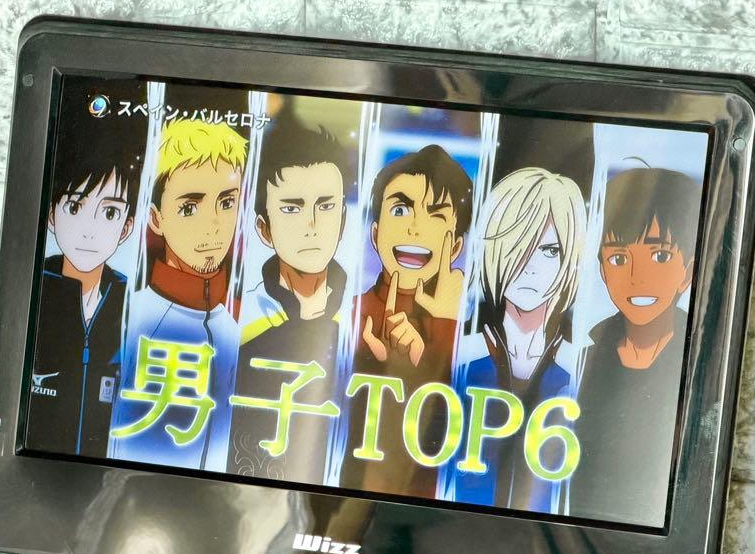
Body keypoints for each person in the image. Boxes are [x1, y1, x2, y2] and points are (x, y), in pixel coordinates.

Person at [111, 119, 247, 472]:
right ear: (156, 218)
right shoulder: (129, 317)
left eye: (227, 202)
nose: (214, 224)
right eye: (189, 208)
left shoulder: (241, 327)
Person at [341, 145, 473, 499]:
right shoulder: (347, 317)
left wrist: (443, 331)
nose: (415, 229)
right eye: (400, 210)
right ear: (375, 233)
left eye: (436, 216)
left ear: (456, 247)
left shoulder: (470, 336)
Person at [451, 167, 586, 512]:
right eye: (518, 244)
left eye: (550, 250)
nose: (530, 265)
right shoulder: (459, 356)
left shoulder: (579, 368)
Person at [572, 168, 700, 525]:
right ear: (602, 269)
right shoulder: (580, 361)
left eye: (660, 256)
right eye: (619, 258)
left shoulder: (700, 366)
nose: (637, 277)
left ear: (688, 271)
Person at [230, 117, 349, 483]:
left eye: (326, 206)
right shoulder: (237, 320)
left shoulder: (362, 321)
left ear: (343, 220)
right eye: (291, 208)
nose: (312, 225)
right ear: (264, 228)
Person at [26, 121, 140, 457]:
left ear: (126, 227)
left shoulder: (133, 302)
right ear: (52, 215)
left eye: (109, 213)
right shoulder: (33, 290)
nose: (89, 231)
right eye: (75, 207)